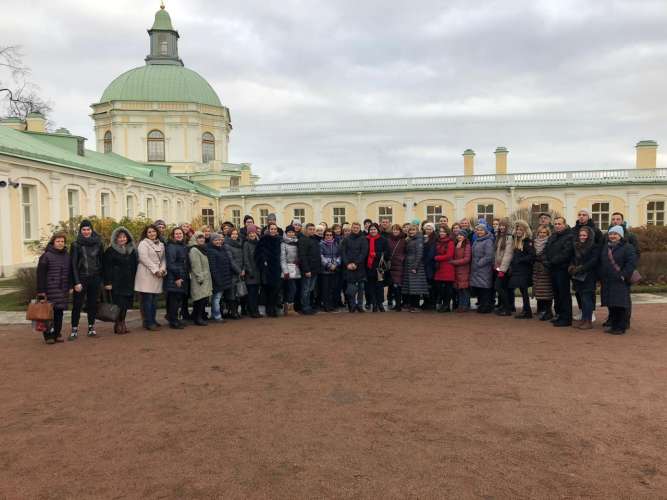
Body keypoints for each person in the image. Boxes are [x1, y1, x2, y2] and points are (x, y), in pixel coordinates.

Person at [602, 212, 640, 329]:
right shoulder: (606, 236)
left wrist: (626, 272)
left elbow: (635, 255)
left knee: (623, 299)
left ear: (622, 221)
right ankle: (613, 319)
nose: (615, 221)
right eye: (613, 219)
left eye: (618, 219)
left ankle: (624, 322)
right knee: (611, 298)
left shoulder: (631, 237)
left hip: (623, 274)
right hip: (610, 275)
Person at [69, 219, 104, 339]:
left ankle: (91, 328)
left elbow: (101, 261)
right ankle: (74, 329)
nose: (86, 231)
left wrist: (101, 278)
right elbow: (73, 264)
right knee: (77, 305)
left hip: (95, 278)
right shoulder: (76, 244)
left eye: (88, 229)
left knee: (92, 304)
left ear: (91, 230)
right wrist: (76, 282)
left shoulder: (98, 243)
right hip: (81, 279)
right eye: (83, 229)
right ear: (80, 230)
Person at [36, 232, 72, 344]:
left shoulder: (67, 255)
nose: (60, 243)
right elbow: (40, 275)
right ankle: (49, 336)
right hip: (49, 289)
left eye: (62, 241)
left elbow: (70, 272)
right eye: (58, 241)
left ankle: (57, 334)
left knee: (59, 313)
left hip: (62, 289)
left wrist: (70, 286)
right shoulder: (46, 256)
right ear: (53, 242)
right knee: (48, 314)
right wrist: (41, 291)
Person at [103, 227, 138, 334]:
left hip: (129, 281)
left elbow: (135, 266)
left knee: (126, 305)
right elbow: (106, 267)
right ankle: (118, 323)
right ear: (115, 239)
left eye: (124, 237)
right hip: (116, 282)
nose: (122, 239)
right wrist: (107, 282)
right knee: (119, 304)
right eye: (119, 237)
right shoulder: (110, 250)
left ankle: (122, 322)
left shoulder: (132, 250)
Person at [135, 224, 166, 331]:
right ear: (146, 234)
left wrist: (162, 269)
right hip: (146, 274)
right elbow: (144, 258)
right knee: (147, 299)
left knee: (154, 300)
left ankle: (153, 319)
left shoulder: (161, 244)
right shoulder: (143, 244)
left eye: (153, 231)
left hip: (157, 275)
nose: (152, 234)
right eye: (149, 232)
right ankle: (148, 322)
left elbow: (163, 259)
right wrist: (155, 270)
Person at [545, 217, 575, 327]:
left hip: (562, 269)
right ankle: (559, 314)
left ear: (564, 225)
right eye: (556, 224)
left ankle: (566, 318)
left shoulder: (569, 236)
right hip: (552, 269)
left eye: (559, 224)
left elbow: (566, 253)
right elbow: (547, 249)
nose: (557, 225)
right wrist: (547, 261)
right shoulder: (553, 236)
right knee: (556, 294)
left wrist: (552, 261)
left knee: (564, 294)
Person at [569, 226, 599, 330]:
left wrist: (581, 269)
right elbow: (573, 259)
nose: (582, 237)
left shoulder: (594, 247)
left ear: (589, 236)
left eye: (584, 235)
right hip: (577, 276)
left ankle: (588, 321)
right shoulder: (576, 246)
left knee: (587, 299)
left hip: (589, 276)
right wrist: (572, 267)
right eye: (581, 235)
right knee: (582, 298)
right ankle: (583, 319)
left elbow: (593, 261)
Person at [508, 221, 535, 319]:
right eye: (517, 229)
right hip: (517, 270)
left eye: (521, 230)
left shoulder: (527, 241)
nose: (518, 231)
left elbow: (532, 255)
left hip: (524, 270)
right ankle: (526, 310)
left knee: (524, 290)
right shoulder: (517, 240)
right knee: (522, 290)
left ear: (525, 231)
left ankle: (527, 311)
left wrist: (520, 260)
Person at [164, 227, 189, 329]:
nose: (179, 235)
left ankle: (174, 319)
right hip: (174, 277)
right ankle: (173, 321)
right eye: (176, 234)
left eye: (180, 233)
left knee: (177, 300)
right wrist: (177, 278)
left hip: (180, 274)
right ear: (173, 235)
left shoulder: (181, 245)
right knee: (174, 300)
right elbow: (171, 264)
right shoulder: (172, 246)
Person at [256, 223, 283, 317]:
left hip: (277, 267)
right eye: (271, 229)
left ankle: (273, 308)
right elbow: (258, 252)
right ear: (268, 229)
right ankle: (268, 309)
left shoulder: (279, 239)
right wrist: (263, 260)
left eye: (275, 229)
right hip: (266, 268)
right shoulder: (263, 239)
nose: (273, 230)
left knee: (276, 289)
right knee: (267, 289)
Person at [341, 222, 368, 313]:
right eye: (354, 227)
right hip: (348, 267)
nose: (355, 229)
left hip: (360, 267)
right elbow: (343, 253)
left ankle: (360, 305)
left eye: (357, 227)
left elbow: (364, 253)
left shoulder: (363, 239)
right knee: (351, 288)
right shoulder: (346, 239)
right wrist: (347, 264)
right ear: (351, 228)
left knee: (361, 288)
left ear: (359, 228)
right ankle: (352, 306)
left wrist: (356, 263)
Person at [208, 233, 235, 323]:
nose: (218, 241)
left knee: (218, 298)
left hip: (225, 278)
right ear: (212, 241)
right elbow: (213, 267)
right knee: (216, 298)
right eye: (216, 240)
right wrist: (217, 280)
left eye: (219, 240)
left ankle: (214, 314)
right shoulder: (211, 251)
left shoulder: (222, 249)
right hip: (218, 279)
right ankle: (217, 316)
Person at [403, 224, 429, 313]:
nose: (411, 232)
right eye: (410, 230)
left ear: (417, 230)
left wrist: (415, 266)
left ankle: (416, 306)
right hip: (409, 265)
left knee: (416, 287)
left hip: (415, 266)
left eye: (413, 230)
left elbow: (419, 254)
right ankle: (412, 305)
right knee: (411, 287)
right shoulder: (409, 239)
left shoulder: (419, 240)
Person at [188, 231, 212, 326]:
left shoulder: (202, 249)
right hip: (199, 279)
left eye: (202, 238)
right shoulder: (194, 250)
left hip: (205, 278)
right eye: (199, 238)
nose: (201, 239)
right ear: (195, 239)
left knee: (203, 298)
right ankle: (198, 318)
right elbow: (195, 265)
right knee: (199, 299)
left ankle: (200, 316)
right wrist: (200, 277)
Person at [471, 224, 495, 314]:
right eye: (478, 230)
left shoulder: (488, 241)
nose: (479, 232)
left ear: (485, 231)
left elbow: (489, 256)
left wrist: (479, 263)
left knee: (485, 288)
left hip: (484, 268)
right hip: (476, 269)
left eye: (481, 230)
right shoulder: (476, 241)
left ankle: (487, 306)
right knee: (480, 288)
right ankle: (482, 305)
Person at [298, 223, 322, 315]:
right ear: (306, 230)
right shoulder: (303, 240)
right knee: (305, 289)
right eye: (310, 229)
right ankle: (305, 307)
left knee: (310, 289)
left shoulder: (314, 240)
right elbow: (302, 256)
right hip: (307, 270)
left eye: (313, 229)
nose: (312, 231)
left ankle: (308, 305)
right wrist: (306, 270)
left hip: (315, 269)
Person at [365, 223, 389, 312]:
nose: (372, 231)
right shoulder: (365, 239)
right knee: (370, 286)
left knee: (379, 286)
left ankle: (380, 303)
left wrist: (376, 254)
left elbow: (387, 253)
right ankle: (374, 303)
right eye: (371, 229)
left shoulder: (383, 240)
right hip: (368, 266)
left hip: (379, 267)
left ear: (377, 230)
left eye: (374, 229)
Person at [532, 225, 554, 321]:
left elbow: (549, 255)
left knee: (547, 290)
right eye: (540, 232)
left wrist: (543, 261)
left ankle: (548, 311)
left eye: (544, 233)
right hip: (536, 268)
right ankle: (542, 310)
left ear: (548, 234)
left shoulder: (549, 242)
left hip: (545, 269)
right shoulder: (534, 242)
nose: (542, 234)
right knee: (539, 289)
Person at [494, 218, 514, 316]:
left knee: (498, 287)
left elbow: (508, 254)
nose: (501, 227)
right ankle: (505, 307)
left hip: (504, 268)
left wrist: (502, 269)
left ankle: (507, 309)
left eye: (503, 226)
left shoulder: (509, 238)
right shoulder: (499, 237)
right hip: (498, 267)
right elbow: (497, 254)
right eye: (500, 226)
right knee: (503, 288)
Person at [433, 225, 455, 313]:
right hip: (439, 267)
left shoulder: (450, 242)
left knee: (448, 288)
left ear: (447, 232)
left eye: (443, 231)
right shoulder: (438, 241)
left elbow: (449, 255)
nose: (441, 233)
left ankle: (446, 305)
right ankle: (443, 304)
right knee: (440, 288)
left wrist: (436, 258)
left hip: (447, 267)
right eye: (440, 231)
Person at [280, 225, 301, 315]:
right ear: (286, 233)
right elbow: (282, 258)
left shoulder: (297, 242)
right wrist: (285, 271)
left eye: (292, 232)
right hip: (287, 269)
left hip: (296, 268)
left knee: (291, 289)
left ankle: (288, 308)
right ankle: (289, 308)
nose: (291, 233)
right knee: (292, 289)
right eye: (289, 232)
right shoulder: (283, 244)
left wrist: (299, 260)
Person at [242, 225, 262, 318]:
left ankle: (256, 310)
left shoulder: (258, 243)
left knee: (256, 293)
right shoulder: (246, 244)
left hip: (258, 271)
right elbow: (245, 259)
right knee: (251, 293)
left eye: (253, 232)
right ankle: (252, 311)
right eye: (250, 233)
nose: (252, 234)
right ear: (247, 234)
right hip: (251, 273)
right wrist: (250, 271)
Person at [319, 229, 341, 312]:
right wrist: (329, 265)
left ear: (333, 236)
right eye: (327, 235)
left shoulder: (336, 244)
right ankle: (326, 305)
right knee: (325, 289)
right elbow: (321, 257)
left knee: (333, 288)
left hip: (335, 269)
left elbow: (339, 255)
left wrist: (335, 264)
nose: (328, 236)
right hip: (325, 270)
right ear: (324, 236)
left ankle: (333, 305)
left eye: (330, 235)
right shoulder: (321, 244)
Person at [451, 229, 472, 312]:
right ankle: (460, 305)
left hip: (464, 270)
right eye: (458, 235)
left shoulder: (467, 245)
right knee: (459, 289)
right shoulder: (456, 244)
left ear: (465, 236)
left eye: (461, 235)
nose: (459, 236)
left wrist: (454, 262)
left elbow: (467, 259)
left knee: (464, 289)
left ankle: (465, 305)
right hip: (456, 270)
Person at [387, 224, 406, 311]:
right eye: (394, 230)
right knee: (393, 286)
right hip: (391, 265)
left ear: (400, 231)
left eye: (397, 230)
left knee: (397, 285)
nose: (395, 231)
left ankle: (398, 304)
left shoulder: (403, 240)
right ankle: (397, 303)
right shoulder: (388, 240)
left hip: (399, 265)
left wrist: (401, 258)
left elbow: (406, 252)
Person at [225, 228, 244, 319]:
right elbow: (230, 260)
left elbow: (243, 258)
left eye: (236, 234)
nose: (235, 235)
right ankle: (233, 312)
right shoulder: (227, 245)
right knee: (232, 293)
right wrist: (239, 271)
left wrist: (243, 269)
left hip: (240, 272)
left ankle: (236, 311)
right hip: (232, 273)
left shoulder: (240, 244)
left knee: (238, 293)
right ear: (229, 235)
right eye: (233, 234)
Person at [422, 223, 438, 310]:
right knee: (425, 285)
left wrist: (425, 262)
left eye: (430, 229)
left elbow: (432, 253)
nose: (428, 230)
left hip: (430, 265)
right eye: (427, 229)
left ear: (433, 230)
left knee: (431, 285)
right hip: (424, 265)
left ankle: (432, 302)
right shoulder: (423, 238)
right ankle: (426, 301)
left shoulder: (435, 239)